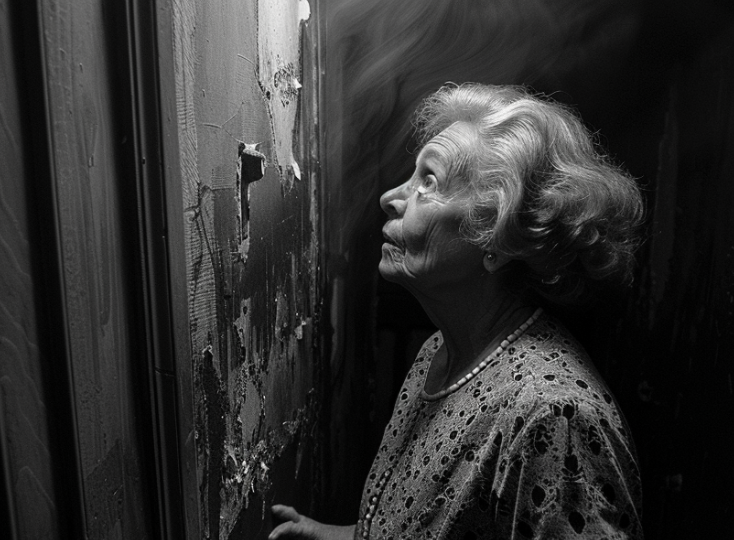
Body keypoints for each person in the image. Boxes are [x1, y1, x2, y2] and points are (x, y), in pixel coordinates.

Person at [270, 83, 646, 539]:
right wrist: (335, 535)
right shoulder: (439, 352)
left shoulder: (553, 418)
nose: (392, 196)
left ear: (498, 237)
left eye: (428, 180)